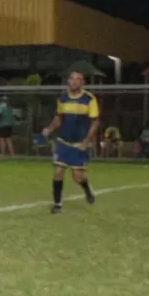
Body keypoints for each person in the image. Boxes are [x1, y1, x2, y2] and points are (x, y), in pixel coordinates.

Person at [40, 69, 98, 213]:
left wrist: (86, 141)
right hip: (63, 141)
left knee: (77, 176)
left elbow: (95, 122)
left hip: (79, 143)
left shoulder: (89, 99)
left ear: (83, 82)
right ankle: (57, 205)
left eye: (78, 79)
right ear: (68, 80)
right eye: (72, 78)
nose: (74, 81)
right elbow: (58, 118)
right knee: (58, 171)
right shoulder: (63, 98)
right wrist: (49, 129)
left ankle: (87, 188)